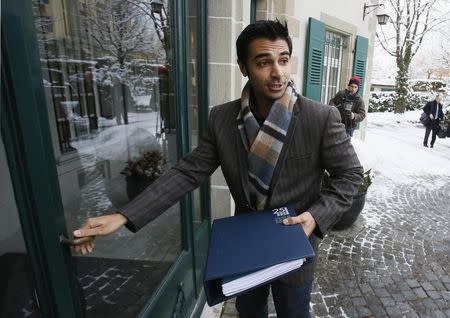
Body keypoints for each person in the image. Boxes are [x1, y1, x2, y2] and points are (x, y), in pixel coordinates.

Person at [73, 20, 363, 318]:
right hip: (245, 247)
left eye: (284, 60)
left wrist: (316, 216)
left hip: (296, 245)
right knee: (249, 311)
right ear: (243, 66)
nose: (278, 72)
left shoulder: (320, 118)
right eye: (264, 62)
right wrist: (124, 215)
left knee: (294, 312)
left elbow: (350, 174)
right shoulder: (222, 119)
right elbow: (187, 172)